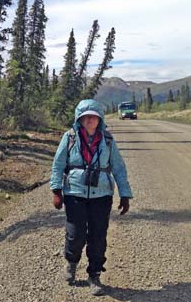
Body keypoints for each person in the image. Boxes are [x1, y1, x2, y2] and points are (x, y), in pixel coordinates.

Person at [50, 99, 133, 296]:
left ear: (99, 119)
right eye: (85, 117)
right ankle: (71, 263)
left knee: (98, 237)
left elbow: (119, 168)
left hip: (102, 195)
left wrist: (125, 194)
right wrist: (56, 190)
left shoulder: (108, 140)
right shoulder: (69, 137)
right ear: (79, 119)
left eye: (93, 117)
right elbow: (58, 164)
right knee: (75, 234)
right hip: (74, 193)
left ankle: (94, 275)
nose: (89, 120)